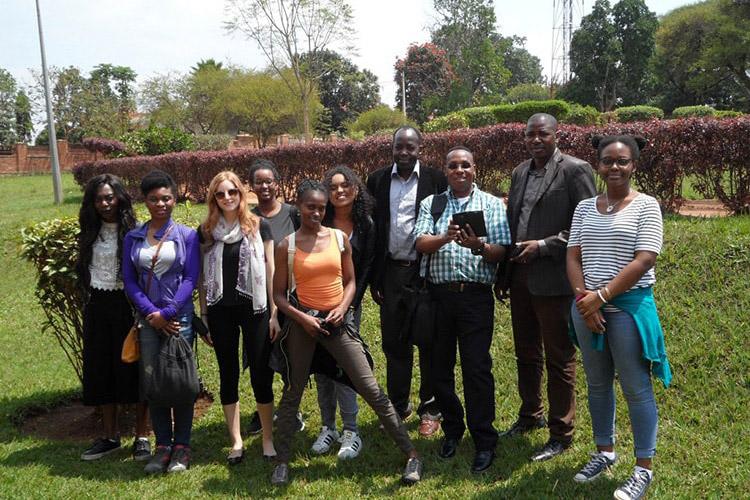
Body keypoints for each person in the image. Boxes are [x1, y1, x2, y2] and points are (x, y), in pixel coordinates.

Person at [270, 180, 423, 486]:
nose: (316, 212)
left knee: (371, 390)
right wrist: (302, 319)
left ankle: (412, 455)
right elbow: (279, 296)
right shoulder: (286, 245)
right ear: (299, 205)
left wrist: (342, 307)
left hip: (337, 324)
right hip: (304, 326)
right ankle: (282, 460)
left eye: (321, 208)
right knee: (292, 393)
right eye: (310, 207)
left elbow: (351, 281)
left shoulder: (339, 239)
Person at [567, 135, 671, 500]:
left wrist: (602, 297)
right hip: (586, 307)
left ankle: (643, 469)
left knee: (635, 388)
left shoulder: (647, 206)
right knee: (597, 384)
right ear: (597, 164)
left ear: (634, 166)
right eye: (607, 160)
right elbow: (573, 255)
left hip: (627, 309)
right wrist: (584, 300)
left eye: (622, 161)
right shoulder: (583, 207)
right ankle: (604, 452)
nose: (614, 167)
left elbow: (644, 259)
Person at [497, 113, 597, 462]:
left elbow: (587, 226)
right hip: (521, 277)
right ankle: (530, 415)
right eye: (530, 135)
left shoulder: (575, 170)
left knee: (559, 357)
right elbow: (513, 225)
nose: (536, 140)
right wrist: (504, 275)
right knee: (526, 353)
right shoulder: (520, 171)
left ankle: (561, 432)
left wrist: (543, 245)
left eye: (543, 134)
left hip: (556, 278)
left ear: (557, 135)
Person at [414, 146, 511, 473]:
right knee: (440, 368)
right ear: (445, 169)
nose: (459, 170)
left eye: (465, 165)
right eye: (453, 166)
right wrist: (445, 237)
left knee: (476, 368)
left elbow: (501, 251)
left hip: (474, 299)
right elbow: (420, 243)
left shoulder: (492, 204)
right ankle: (453, 429)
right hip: (439, 298)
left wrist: (479, 246)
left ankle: (484, 438)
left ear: (474, 168)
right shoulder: (433, 204)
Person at [366, 126, 448, 437]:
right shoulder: (377, 179)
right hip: (391, 273)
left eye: (409, 147)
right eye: (399, 146)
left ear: (419, 149)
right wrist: (375, 276)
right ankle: (398, 406)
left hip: (424, 273)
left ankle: (430, 407)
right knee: (394, 343)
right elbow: (373, 229)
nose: (403, 152)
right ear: (392, 148)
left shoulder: (434, 179)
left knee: (429, 342)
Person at [197, 171, 279, 465]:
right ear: (214, 198)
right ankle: (236, 441)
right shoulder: (206, 230)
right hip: (220, 310)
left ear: (241, 195)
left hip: (256, 309)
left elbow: (270, 272)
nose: (227, 198)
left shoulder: (259, 226)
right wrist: (203, 314)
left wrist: (274, 313)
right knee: (227, 373)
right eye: (221, 194)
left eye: (232, 192)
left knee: (260, 372)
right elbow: (203, 278)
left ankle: (267, 439)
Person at [122, 170, 200, 474]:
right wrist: (151, 314)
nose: (161, 203)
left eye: (166, 197)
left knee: (180, 381)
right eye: (154, 199)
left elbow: (191, 278)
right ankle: (163, 447)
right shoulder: (134, 237)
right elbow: (129, 281)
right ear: (146, 201)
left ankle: (182, 446)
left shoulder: (187, 236)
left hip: (178, 319)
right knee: (153, 383)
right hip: (148, 320)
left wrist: (167, 313)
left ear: (175, 198)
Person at [75, 174, 150, 462]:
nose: (105, 203)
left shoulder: (134, 231)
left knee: (135, 369)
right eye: (99, 199)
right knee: (101, 368)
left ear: (119, 198)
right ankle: (110, 436)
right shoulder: (89, 232)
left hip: (127, 307)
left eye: (109, 197)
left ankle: (142, 436)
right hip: (97, 307)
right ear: (91, 203)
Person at [309, 166, 375, 460]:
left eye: (345, 186)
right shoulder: (318, 220)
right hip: (314, 307)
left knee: (346, 367)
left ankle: (351, 430)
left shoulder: (366, 225)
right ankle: (328, 427)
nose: (339, 191)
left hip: (347, 307)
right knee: (322, 367)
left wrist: (347, 305)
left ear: (356, 190)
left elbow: (367, 269)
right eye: (333, 187)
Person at [248, 158, 305, 434]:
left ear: (277, 183)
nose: (264, 186)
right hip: (258, 300)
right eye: (259, 181)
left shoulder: (293, 213)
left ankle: (291, 410)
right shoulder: (247, 217)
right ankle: (264, 410)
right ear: (251, 186)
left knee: (290, 357)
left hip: (292, 297)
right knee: (261, 357)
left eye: (269, 180)